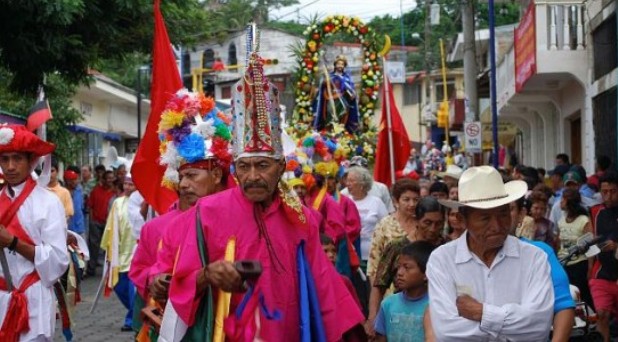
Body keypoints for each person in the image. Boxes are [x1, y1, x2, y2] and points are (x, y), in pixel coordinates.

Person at [165, 51, 364, 341]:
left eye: (263, 165)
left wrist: (355, 331)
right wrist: (208, 274)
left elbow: (324, 285)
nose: (253, 176)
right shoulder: (207, 211)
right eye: (244, 166)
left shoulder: (302, 218)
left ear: (281, 166)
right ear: (234, 169)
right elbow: (181, 282)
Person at [427, 166, 554, 340]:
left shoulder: (534, 258)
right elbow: (447, 332)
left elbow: (538, 326)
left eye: (503, 214)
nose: (497, 226)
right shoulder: (442, 260)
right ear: (463, 220)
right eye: (485, 218)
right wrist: (512, 325)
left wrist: (482, 313)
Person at [0, 124, 70, 340]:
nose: (10, 166)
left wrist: (13, 242)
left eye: (17, 159)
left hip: (34, 298)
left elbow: (58, 261)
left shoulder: (48, 202)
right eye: (4, 159)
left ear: (31, 161)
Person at [367, 196, 445, 336]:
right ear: (417, 220)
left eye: (438, 224)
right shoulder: (397, 247)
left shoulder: (445, 248)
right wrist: (373, 318)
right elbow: (379, 285)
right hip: (400, 315)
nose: (433, 229)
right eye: (427, 222)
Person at [509, 195, 575, 342]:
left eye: (508, 209)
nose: (498, 219)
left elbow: (563, 305)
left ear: (521, 214)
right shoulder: (453, 255)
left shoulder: (541, 253)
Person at [374, 241, 435, 342]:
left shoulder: (435, 306)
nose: (399, 273)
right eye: (399, 267)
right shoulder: (388, 304)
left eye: (407, 268)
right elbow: (381, 338)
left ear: (426, 273)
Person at [100, 175, 138, 331]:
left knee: (133, 290)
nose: (128, 187)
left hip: (137, 253)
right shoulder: (117, 203)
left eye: (131, 184)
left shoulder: (143, 202)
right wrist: (110, 251)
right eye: (126, 184)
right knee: (117, 285)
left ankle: (132, 320)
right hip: (120, 253)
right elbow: (110, 227)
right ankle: (137, 313)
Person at [589, 171, 618, 342]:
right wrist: (589, 268)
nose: (608, 196)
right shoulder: (594, 212)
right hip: (601, 275)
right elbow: (589, 241)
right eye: (604, 191)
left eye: (613, 191)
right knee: (601, 314)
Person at [344, 166, 388, 272]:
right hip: (351, 255)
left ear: (362, 184)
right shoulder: (345, 202)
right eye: (347, 180)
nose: (348, 184)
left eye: (351, 181)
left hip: (374, 255)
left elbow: (386, 227)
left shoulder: (376, 202)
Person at [556, 187, 593, 308]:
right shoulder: (561, 220)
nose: (560, 202)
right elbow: (558, 243)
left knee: (581, 294)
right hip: (564, 263)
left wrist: (590, 268)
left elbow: (591, 245)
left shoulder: (583, 220)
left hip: (579, 264)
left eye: (563, 199)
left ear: (569, 201)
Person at [312, 54, 360, 133]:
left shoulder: (346, 77)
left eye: (342, 64)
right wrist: (326, 82)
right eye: (338, 64)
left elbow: (350, 89)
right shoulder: (330, 76)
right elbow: (323, 86)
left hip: (343, 98)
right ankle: (329, 129)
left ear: (344, 66)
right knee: (330, 111)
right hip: (330, 98)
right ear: (335, 65)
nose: (340, 66)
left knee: (344, 110)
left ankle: (340, 129)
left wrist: (351, 93)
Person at [86, 170, 116, 276]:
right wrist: (92, 220)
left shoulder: (115, 192)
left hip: (110, 223)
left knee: (110, 246)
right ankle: (91, 269)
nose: (110, 180)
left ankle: (110, 270)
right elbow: (90, 206)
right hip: (96, 222)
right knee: (94, 246)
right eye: (108, 178)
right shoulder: (96, 190)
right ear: (103, 179)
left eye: (112, 178)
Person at [64, 167, 85, 237]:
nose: (76, 182)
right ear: (68, 181)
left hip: (79, 227)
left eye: (76, 179)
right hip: (67, 229)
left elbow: (81, 207)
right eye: (74, 180)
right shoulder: (62, 192)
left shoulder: (79, 190)